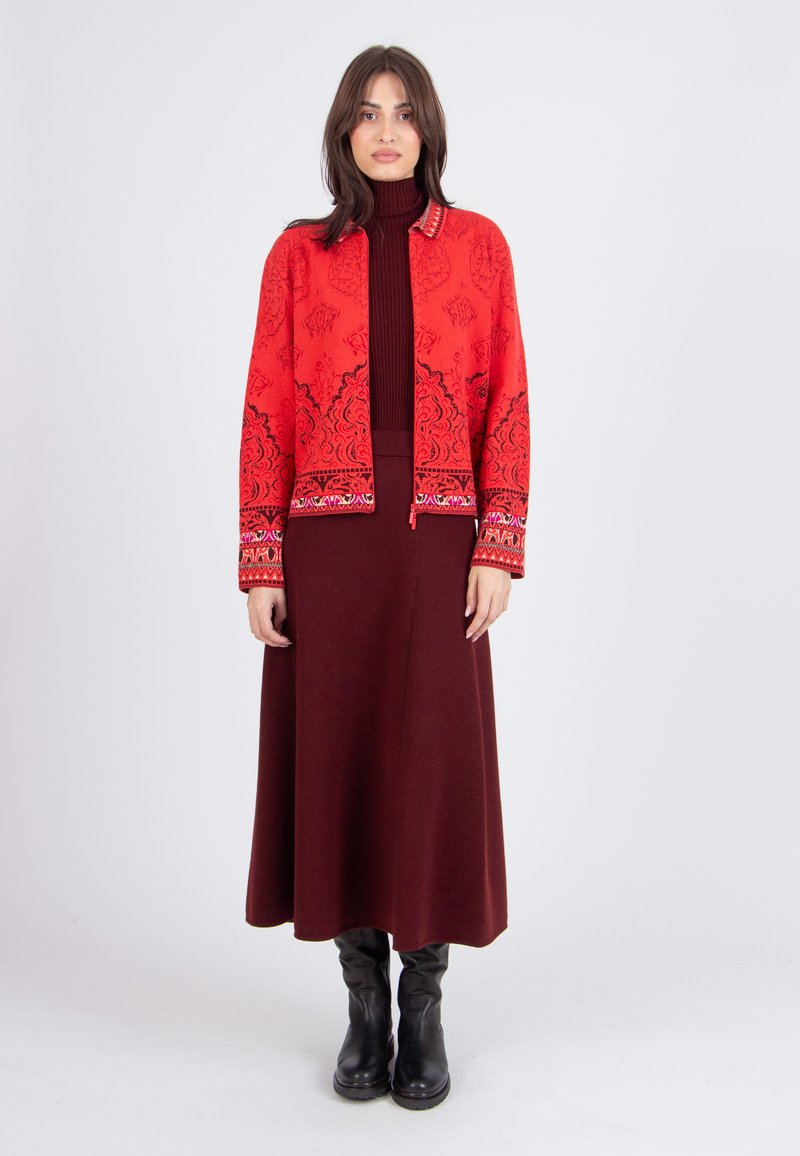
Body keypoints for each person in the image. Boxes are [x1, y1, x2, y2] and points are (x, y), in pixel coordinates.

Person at [238, 44, 530, 1110]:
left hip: (442, 536)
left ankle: (425, 1005)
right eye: (367, 112)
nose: (387, 129)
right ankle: (363, 1005)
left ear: (428, 128)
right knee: (343, 759)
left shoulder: (481, 247)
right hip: (327, 543)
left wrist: (498, 544)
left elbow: (509, 397)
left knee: (429, 761)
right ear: (344, 132)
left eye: (403, 111)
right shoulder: (297, 255)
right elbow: (266, 404)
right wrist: (261, 559)